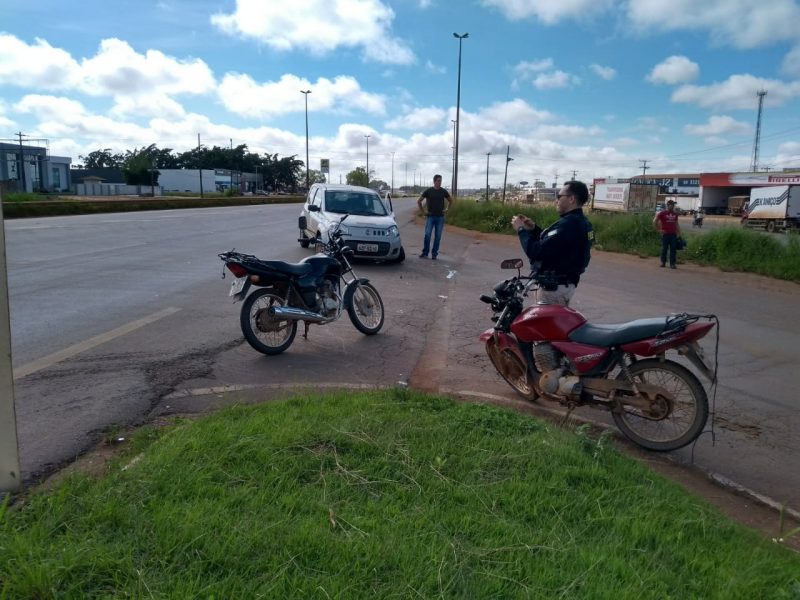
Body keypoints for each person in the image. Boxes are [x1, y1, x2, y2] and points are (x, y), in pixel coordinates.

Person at [510, 180, 594, 306]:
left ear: (571, 199)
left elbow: (536, 252)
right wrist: (534, 229)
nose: (556, 200)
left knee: (543, 320)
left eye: (559, 196)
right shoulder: (581, 222)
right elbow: (554, 244)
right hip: (562, 285)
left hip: (553, 289)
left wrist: (521, 230)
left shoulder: (568, 225)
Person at [417, 174, 452, 260]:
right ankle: (425, 253)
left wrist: (447, 209)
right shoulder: (429, 191)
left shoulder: (443, 191)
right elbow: (419, 201)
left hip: (440, 217)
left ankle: (434, 254)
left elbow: (450, 200)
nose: (440, 182)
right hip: (430, 217)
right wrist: (423, 212)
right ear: (434, 181)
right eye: (438, 181)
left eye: (440, 181)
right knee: (427, 235)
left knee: (438, 237)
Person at [653, 199, 681, 269]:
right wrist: (659, 230)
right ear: (667, 205)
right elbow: (655, 221)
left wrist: (679, 233)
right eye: (670, 205)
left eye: (673, 205)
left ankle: (672, 264)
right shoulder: (662, 213)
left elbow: (676, 224)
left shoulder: (675, 214)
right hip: (665, 234)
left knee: (673, 249)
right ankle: (663, 262)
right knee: (664, 249)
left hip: (673, 234)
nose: (672, 206)